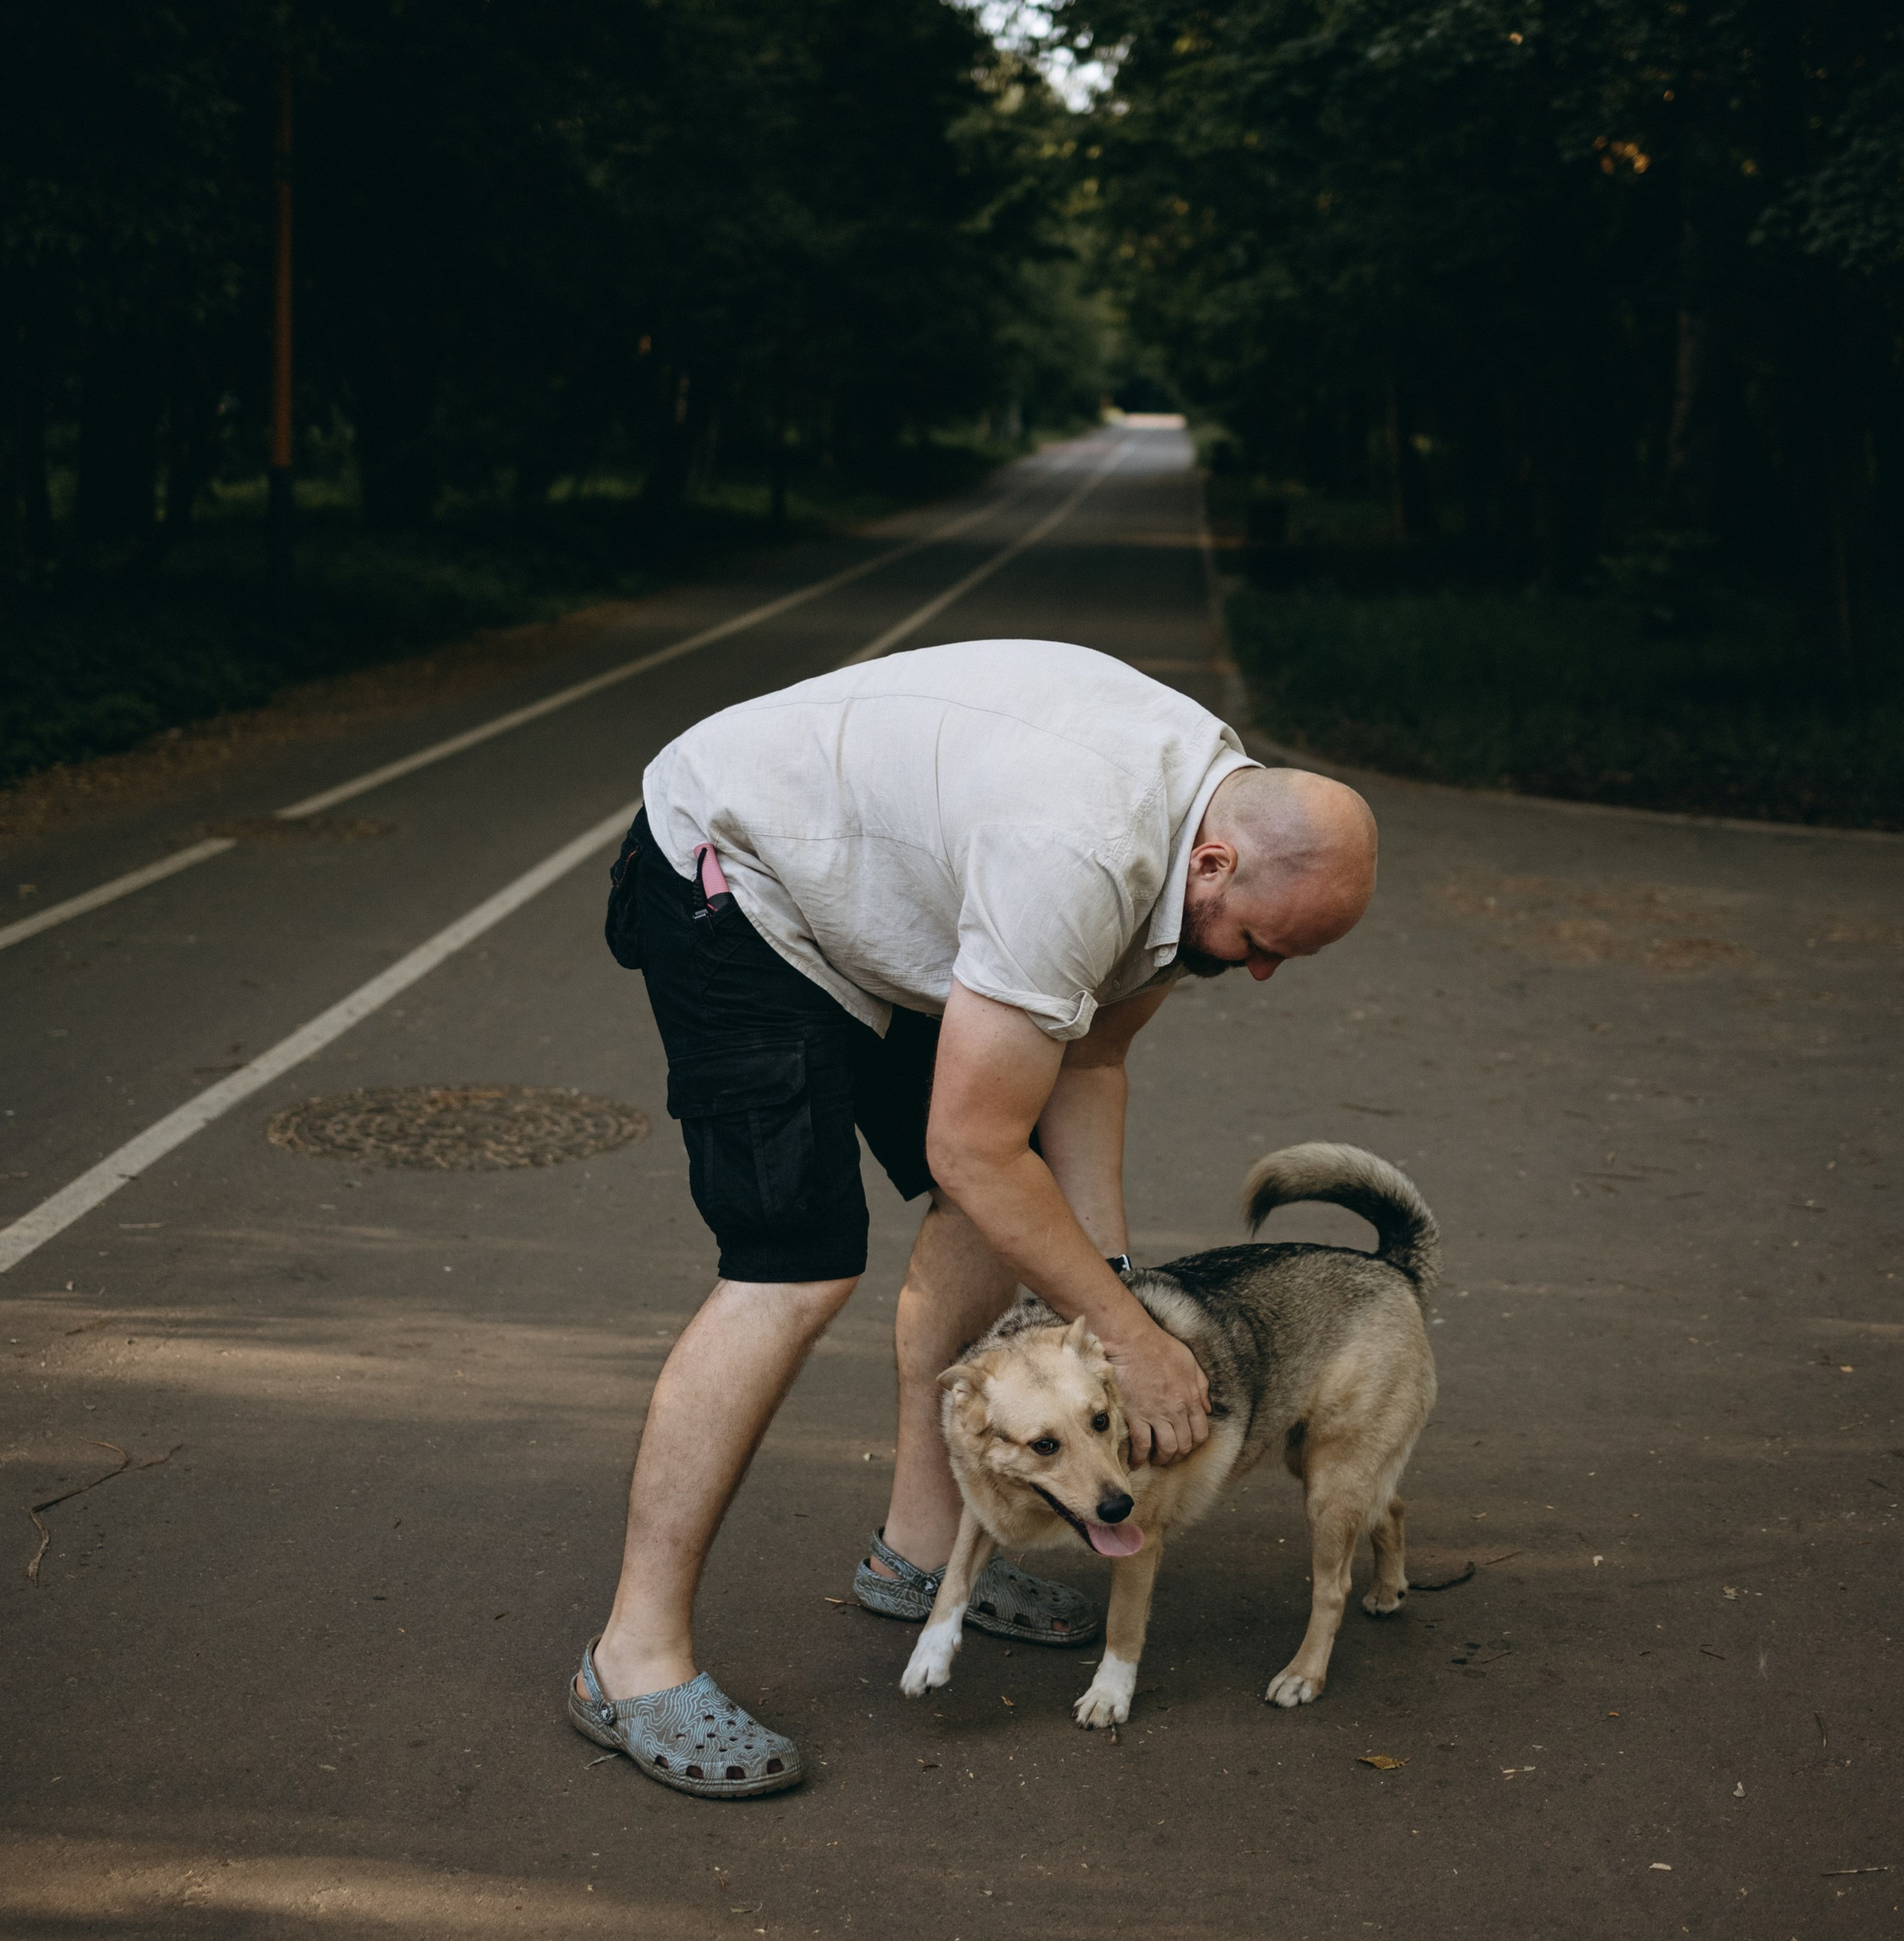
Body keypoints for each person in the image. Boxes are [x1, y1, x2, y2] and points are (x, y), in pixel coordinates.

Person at [568, 639, 1378, 1795]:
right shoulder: (1083, 854)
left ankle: (916, 1551)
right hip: (737, 877)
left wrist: (1111, 1308)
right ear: (1212, 862)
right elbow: (975, 1141)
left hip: (876, 903)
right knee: (795, 1267)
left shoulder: (1195, 835)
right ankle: (630, 1659)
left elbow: (1086, 1062)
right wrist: (1141, 1348)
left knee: (994, 1194)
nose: (1256, 977)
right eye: (1258, 945)